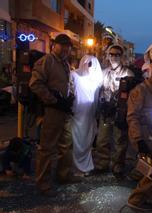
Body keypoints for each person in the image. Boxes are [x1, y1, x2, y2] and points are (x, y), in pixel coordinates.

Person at [29, 34, 79, 196]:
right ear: (54, 45)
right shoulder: (47, 61)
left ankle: (64, 176)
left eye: (68, 46)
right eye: (62, 45)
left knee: (66, 144)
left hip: (63, 111)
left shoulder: (64, 63)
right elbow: (35, 84)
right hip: (51, 111)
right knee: (47, 148)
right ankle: (43, 184)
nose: (65, 48)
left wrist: (69, 98)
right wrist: (53, 101)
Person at [126, 61, 152, 211]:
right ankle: (135, 200)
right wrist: (139, 141)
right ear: (148, 72)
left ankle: (140, 198)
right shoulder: (140, 90)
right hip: (141, 136)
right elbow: (132, 117)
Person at [94, 44, 134, 177]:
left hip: (120, 112)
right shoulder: (104, 73)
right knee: (102, 140)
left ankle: (118, 167)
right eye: (111, 54)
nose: (114, 57)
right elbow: (98, 90)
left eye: (117, 54)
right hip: (106, 111)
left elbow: (132, 94)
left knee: (119, 141)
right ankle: (101, 165)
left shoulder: (128, 73)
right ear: (108, 55)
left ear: (122, 56)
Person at [70, 55, 103, 176]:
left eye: (92, 64)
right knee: (76, 141)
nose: (89, 67)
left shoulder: (97, 79)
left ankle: (86, 166)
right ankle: (76, 167)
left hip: (89, 117)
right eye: (87, 63)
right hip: (77, 115)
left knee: (87, 141)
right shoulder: (74, 75)